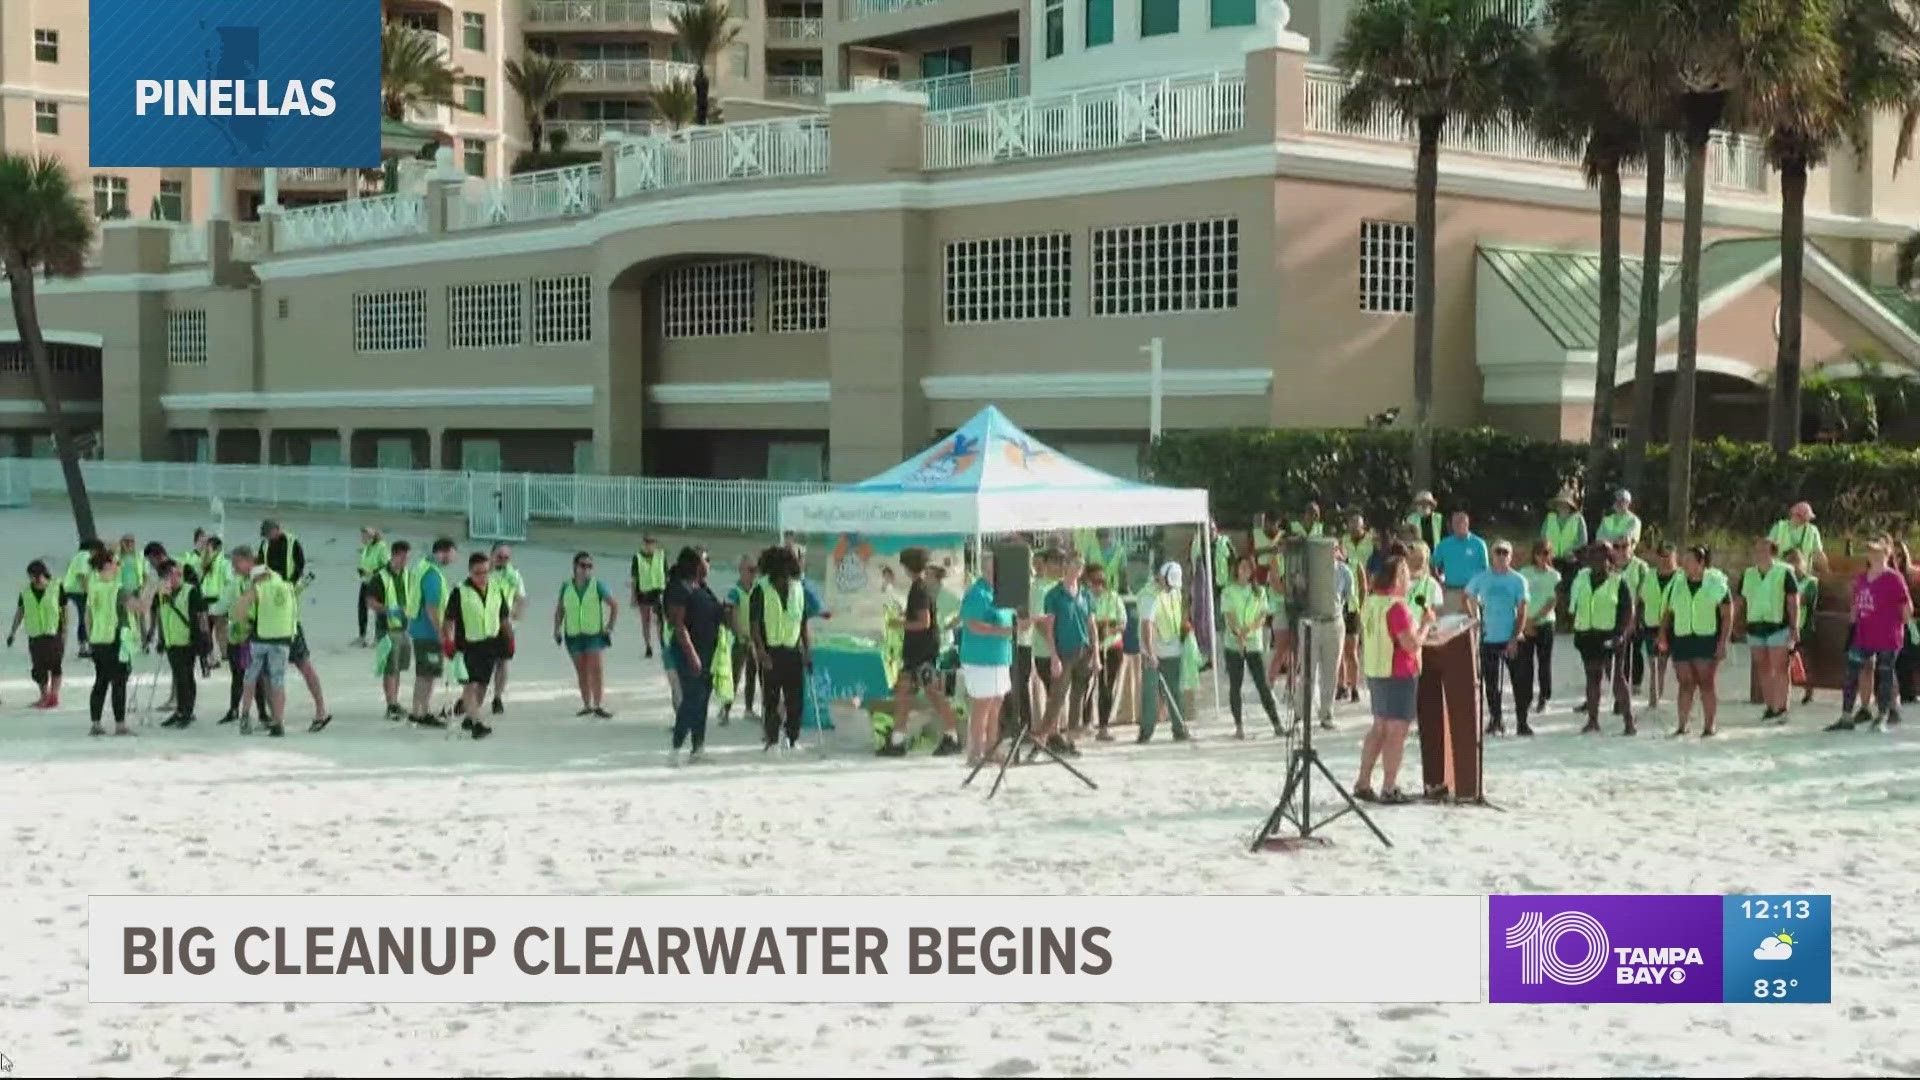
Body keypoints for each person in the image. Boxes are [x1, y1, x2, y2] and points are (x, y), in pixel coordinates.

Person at [1354, 555, 1431, 804]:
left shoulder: (1371, 602)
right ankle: (1389, 787)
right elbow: (1410, 644)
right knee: (1397, 731)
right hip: (1398, 672)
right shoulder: (1397, 607)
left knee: (1379, 727)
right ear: (1398, 578)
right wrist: (1426, 625)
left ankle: (1363, 782)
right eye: (1407, 575)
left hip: (1376, 670)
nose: (1410, 580)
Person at [882, 546, 963, 757]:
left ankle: (952, 736)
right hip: (918, 650)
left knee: (933, 694)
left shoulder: (919, 589)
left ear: (907, 567)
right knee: (905, 693)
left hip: (922, 651)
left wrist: (899, 624)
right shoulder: (921, 587)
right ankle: (897, 739)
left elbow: (924, 622)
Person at [1830, 537, 1910, 731]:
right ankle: (1846, 716)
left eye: (1877, 552)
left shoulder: (1893, 578)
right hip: (1863, 634)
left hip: (1887, 636)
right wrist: (1851, 627)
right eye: (1870, 552)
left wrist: (1898, 626)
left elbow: (1906, 609)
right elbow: (1856, 605)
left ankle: (1882, 716)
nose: (1873, 556)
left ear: (1886, 554)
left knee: (1885, 674)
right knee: (1851, 673)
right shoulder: (1862, 578)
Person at [1662, 546, 1732, 737]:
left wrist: (1723, 642)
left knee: (1706, 683)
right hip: (1682, 637)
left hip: (1706, 637)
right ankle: (1682, 725)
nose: (1685, 564)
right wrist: (1662, 636)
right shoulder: (1677, 582)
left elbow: (1727, 614)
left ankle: (1710, 726)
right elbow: (1668, 611)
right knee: (1685, 683)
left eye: (1690, 561)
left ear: (1701, 563)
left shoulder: (1716, 582)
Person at [1034, 552, 1098, 756]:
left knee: (1078, 697)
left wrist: (1096, 654)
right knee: (1057, 696)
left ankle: (1071, 739)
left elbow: (1092, 625)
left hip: (1083, 649)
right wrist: (1054, 656)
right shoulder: (1054, 594)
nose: (1077, 568)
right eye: (1074, 564)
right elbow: (1049, 627)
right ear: (1066, 566)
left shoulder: (1086, 594)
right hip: (1063, 650)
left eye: (1080, 565)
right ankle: (1042, 737)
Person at [1466, 539, 1532, 736]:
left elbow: (1522, 611)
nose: (1502, 556)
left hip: (1511, 636)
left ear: (1511, 557)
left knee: (1520, 682)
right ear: (1492, 555)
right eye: (1498, 552)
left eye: (1506, 553)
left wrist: (1514, 637)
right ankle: (1496, 719)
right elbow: (1467, 595)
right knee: (1491, 683)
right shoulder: (1481, 578)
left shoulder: (1518, 580)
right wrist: (1474, 618)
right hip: (1489, 637)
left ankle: (1522, 721)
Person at [663, 546, 722, 763]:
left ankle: (698, 748)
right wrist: (692, 655)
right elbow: (678, 625)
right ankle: (676, 748)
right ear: (696, 563)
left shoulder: (703, 587)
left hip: (708, 651)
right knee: (691, 699)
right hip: (688, 652)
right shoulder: (679, 588)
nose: (708, 564)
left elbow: (714, 612)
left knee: (703, 699)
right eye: (705, 560)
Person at [1569, 543, 1636, 735]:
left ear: (1610, 561)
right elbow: (1573, 604)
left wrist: (1621, 634)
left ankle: (1628, 721)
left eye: (1603, 559)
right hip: (1587, 635)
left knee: (1617, 679)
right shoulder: (1581, 578)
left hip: (1610, 636)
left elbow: (1628, 611)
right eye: (1594, 559)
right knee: (1592, 678)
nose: (1598, 563)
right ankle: (1592, 720)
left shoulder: (1619, 582)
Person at [958, 558, 1017, 767]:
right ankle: (975, 752)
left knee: (997, 703)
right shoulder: (977, 593)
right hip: (980, 658)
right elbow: (972, 624)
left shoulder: (1002, 593)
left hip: (1000, 656)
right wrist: (999, 631)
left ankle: (992, 747)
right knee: (982, 704)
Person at [750, 544, 810, 752]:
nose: (784, 578)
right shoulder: (761, 589)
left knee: (795, 700)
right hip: (771, 652)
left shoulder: (798, 589)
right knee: (771, 700)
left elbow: (803, 621)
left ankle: (792, 738)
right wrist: (760, 651)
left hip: (793, 650)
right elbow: (755, 624)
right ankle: (772, 739)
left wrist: (807, 650)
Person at [440, 552, 506, 740]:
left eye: (486, 572)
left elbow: (502, 616)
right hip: (467, 645)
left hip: (490, 643)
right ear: (470, 572)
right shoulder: (459, 591)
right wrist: (448, 641)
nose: (483, 577)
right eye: (478, 573)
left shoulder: (495, 587)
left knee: (483, 684)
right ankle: (477, 723)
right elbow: (449, 621)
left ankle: (470, 716)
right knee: (469, 686)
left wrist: (508, 639)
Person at [1220, 554, 1283, 738]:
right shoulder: (1228, 591)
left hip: (1253, 643)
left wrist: (1247, 632)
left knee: (1262, 684)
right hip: (1233, 644)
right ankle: (1239, 726)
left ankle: (1276, 723)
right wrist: (1238, 633)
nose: (1244, 571)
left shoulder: (1259, 592)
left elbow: (1263, 616)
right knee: (1235, 685)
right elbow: (1229, 615)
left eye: (1248, 568)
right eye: (1241, 567)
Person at [234, 562, 298, 738]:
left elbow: (240, 609)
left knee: (250, 677)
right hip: (283, 640)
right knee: (278, 681)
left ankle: (245, 717)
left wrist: (241, 624)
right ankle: (278, 723)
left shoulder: (260, 588)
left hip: (259, 639)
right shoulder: (288, 587)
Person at [1741, 537, 1800, 724]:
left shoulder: (1784, 572)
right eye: (1757, 550)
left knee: (1780, 667)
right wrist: (1736, 623)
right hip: (1755, 625)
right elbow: (1741, 600)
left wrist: (1794, 625)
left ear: (1772, 552)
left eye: (1763, 550)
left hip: (1778, 625)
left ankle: (1781, 707)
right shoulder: (1748, 574)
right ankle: (1770, 705)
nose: (1759, 554)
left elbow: (1793, 601)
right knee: (1762, 667)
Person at [82, 548, 140, 737]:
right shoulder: (118, 589)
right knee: (119, 682)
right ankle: (120, 724)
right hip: (115, 639)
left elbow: (88, 616)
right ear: (107, 565)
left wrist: (90, 638)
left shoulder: (94, 586)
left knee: (101, 681)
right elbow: (140, 608)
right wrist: (153, 589)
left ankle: (96, 723)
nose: (118, 566)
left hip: (98, 640)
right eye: (116, 562)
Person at [555, 550, 617, 718]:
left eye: (589, 566)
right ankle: (586, 704)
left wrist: (609, 627)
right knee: (581, 670)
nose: (586, 569)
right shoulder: (566, 586)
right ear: (575, 567)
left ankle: (598, 704)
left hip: (594, 634)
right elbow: (560, 609)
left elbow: (614, 605)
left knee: (596, 670)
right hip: (573, 634)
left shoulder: (597, 585)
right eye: (583, 565)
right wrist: (556, 629)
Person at [149, 559, 210, 728]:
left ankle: (187, 712)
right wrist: (160, 638)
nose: (174, 578)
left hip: (187, 641)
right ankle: (180, 709)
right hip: (171, 641)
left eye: (176, 574)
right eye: (169, 576)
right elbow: (160, 615)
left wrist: (204, 639)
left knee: (186, 677)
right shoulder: (162, 594)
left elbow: (201, 615)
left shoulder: (190, 591)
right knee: (178, 676)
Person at [1137, 561, 1191, 743]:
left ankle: (1179, 729)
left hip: (1173, 648)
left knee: (1175, 691)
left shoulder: (1175, 590)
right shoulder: (1149, 595)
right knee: (1150, 694)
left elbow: (1179, 612)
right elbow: (1147, 625)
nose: (1169, 588)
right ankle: (1146, 731)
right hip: (1153, 651)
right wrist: (1151, 653)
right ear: (1161, 576)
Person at [405, 538, 457, 728]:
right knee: (428, 673)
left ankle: (417, 710)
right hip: (428, 632)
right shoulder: (433, 574)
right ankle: (422, 712)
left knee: (423, 672)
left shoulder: (422, 567)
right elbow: (432, 607)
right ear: (444, 552)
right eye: (452, 553)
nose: (453, 558)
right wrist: (441, 633)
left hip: (418, 628)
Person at [216, 546, 268, 726]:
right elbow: (222, 606)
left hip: (255, 636)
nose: (233, 567)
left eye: (236, 563)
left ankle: (262, 712)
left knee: (257, 676)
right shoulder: (234, 583)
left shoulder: (261, 580)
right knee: (237, 675)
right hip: (236, 636)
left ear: (248, 561)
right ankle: (233, 710)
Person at [9, 559, 66, 708]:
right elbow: (20, 612)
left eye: (35, 576)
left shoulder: (56, 587)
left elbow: (64, 609)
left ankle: (53, 696)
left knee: (56, 665)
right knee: (38, 668)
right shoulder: (26, 592)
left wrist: (65, 629)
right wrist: (13, 632)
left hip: (53, 632)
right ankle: (44, 696)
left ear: (42, 574)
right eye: (31, 577)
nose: (33, 580)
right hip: (35, 634)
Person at [367, 541, 414, 721]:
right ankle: (391, 705)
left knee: (399, 667)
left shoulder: (408, 575)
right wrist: (389, 609)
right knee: (390, 668)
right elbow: (370, 602)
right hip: (386, 628)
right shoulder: (380, 577)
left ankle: (395, 702)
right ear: (394, 556)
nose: (405, 562)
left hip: (403, 628)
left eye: (407, 558)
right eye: (403, 557)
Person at [1516, 541, 1561, 711]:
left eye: (1546, 553)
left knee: (1544, 662)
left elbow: (1552, 601)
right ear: (1534, 555)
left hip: (1545, 622)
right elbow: (1520, 598)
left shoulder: (1555, 576)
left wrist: (1535, 620)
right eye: (1540, 553)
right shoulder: (1524, 573)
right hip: (1526, 621)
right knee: (1525, 663)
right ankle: (1525, 697)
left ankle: (1544, 696)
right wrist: (1526, 621)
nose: (1543, 557)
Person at [1084, 563, 1128, 740]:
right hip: (1088, 646)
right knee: (1085, 686)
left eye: (1101, 581)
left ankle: (1103, 727)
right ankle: (1085, 723)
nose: (1098, 585)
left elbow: (1123, 622)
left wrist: (1111, 630)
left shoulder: (1113, 597)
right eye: (1094, 581)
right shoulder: (1084, 597)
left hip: (1111, 646)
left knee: (1106, 687)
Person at [1638, 543, 1679, 711]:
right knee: (1655, 666)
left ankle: (1687, 703)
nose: (1664, 560)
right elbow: (1641, 599)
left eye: (1668, 556)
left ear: (1675, 557)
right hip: (1651, 626)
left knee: (1681, 667)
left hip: (1676, 627)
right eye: (1661, 556)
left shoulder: (1681, 577)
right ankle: (1653, 702)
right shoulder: (1649, 576)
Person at [487, 543, 526, 715]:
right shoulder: (483, 571)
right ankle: (471, 696)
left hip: (505, 625)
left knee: (502, 662)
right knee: (482, 662)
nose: (502, 560)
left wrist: (515, 617)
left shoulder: (514, 575)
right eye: (499, 556)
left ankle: (497, 697)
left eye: (506, 557)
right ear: (492, 555)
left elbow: (521, 598)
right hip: (484, 624)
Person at [719, 556, 758, 725]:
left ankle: (748, 709)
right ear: (741, 571)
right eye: (750, 570)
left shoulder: (756, 590)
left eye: (754, 570)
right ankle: (725, 709)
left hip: (754, 640)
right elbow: (731, 617)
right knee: (734, 676)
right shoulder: (734, 592)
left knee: (751, 675)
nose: (753, 574)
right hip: (740, 640)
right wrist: (741, 635)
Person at [1432, 512, 1489, 615]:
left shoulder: (1478, 544)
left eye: (1460, 522)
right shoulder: (1444, 544)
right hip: (1451, 592)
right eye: (1454, 523)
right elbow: (1432, 564)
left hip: (1471, 593)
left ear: (1467, 524)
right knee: (1451, 625)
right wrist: (1439, 582)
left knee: (1473, 625)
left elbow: (1485, 569)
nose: (1457, 526)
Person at [1785, 548, 1819, 707]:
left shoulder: (1811, 582)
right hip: (1786, 624)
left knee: (1804, 659)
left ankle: (1808, 692)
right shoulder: (1784, 580)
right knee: (1785, 661)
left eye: (1794, 561)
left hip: (1804, 625)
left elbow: (1804, 600)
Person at [1540, 492, 1588, 593]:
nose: (1561, 506)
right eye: (1559, 504)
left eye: (1564, 503)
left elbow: (1583, 540)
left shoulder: (1578, 519)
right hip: (1551, 559)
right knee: (1550, 589)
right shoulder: (1549, 517)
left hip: (1571, 561)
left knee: (1568, 589)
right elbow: (1543, 537)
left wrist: (1572, 550)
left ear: (1569, 505)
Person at [630, 536, 667, 659]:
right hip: (644, 592)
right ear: (644, 544)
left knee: (660, 621)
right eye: (648, 543)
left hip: (658, 591)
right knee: (646, 621)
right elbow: (635, 578)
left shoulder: (661, 556)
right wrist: (633, 596)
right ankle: (648, 646)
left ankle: (663, 645)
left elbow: (666, 575)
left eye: (652, 543)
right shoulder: (637, 558)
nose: (650, 546)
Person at [62, 538, 100, 657]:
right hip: (78, 591)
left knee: (83, 618)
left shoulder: (78, 556)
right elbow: (82, 575)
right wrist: (89, 592)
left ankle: (85, 646)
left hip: (71, 589)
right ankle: (85, 647)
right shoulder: (85, 556)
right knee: (85, 618)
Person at [353, 527, 388, 647]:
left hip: (377, 583)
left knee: (378, 611)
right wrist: (362, 571)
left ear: (372, 537)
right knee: (362, 609)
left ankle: (379, 638)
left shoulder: (381, 547)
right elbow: (365, 562)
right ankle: (362, 637)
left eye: (365, 537)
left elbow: (386, 566)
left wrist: (372, 572)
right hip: (365, 581)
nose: (362, 539)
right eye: (362, 536)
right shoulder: (366, 548)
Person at [1767, 501, 1826, 573]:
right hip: (1779, 571)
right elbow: (1767, 548)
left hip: (1803, 573)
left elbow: (1819, 553)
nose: (1807, 520)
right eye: (1805, 517)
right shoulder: (1779, 527)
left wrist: (1825, 570)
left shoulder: (1812, 530)